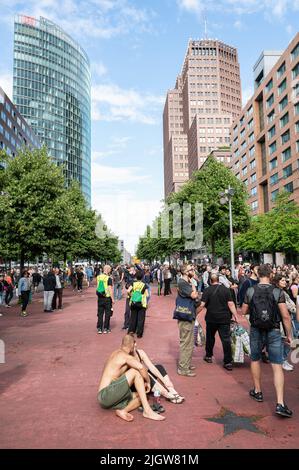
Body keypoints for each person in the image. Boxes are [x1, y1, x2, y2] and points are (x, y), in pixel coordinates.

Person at [242, 264, 293, 418]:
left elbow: (244, 311)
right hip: (274, 330)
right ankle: (280, 403)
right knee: (277, 365)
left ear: (258, 275)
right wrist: (289, 335)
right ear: (270, 275)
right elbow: (285, 315)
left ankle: (257, 392)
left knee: (255, 359)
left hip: (256, 329)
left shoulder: (251, 290)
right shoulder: (278, 291)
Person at [97, 334, 165, 422]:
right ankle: (147, 411)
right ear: (132, 345)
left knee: (142, 396)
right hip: (105, 394)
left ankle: (123, 411)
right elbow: (141, 368)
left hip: (108, 398)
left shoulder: (115, 353)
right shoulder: (124, 356)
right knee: (135, 371)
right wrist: (148, 382)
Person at [197, 273, 238, 371]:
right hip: (224, 318)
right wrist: (235, 315)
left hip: (211, 318)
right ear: (218, 280)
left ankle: (209, 356)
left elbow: (202, 305)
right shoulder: (226, 290)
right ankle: (227, 361)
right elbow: (231, 303)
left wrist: (195, 313)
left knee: (210, 337)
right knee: (226, 339)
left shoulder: (207, 290)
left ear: (210, 281)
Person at [132, 336, 184, 404]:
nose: (132, 349)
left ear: (135, 343)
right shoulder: (126, 356)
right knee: (146, 374)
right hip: (136, 384)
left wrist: (165, 381)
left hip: (145, 380)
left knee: (158, 367)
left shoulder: (140, 352)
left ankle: (172, 390)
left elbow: (152, 367)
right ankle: (168, 395)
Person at [176, 264, 199, 377]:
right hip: (185, 316)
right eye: (191, 269)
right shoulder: (183, 283)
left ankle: (186, 364)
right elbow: (194, 295)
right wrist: (194, 285)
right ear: (185, 272)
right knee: (186, 342)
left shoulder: (185, 282)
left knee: (189, 342)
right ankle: (183, 368)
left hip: (188, 315)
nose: (193, 271)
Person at [127, 270, 148, 338]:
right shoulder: (144, 285)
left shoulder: (133, 284)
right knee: (141, 319)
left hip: (133, 302)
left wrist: (131, 295)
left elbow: (128, 291)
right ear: (142, 277)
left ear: (136, 277)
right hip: (142, 303)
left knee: (133, 317)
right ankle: (139, 333)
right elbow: (147, 295)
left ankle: (131, 331)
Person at [96, 265, 114, 334]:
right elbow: (110, 289)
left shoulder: (98, 277)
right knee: (107, 313)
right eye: (110, 269)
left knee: (100, 313)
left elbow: (98, 287)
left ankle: (99, 328)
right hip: (107, 298)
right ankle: (106, 328)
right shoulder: (108, 278)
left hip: (100, 297)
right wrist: (112, 299)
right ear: (108, 269)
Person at [122, 266, 136, 330]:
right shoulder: (128, 276)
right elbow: (127, 286)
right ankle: (126, 324)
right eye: (131, 270)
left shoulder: (137, 277)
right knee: (127, 311)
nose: (132, 271)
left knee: (134, 311)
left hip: (135, 297)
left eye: (133, 270)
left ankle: (132, 325)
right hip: (129, 296)